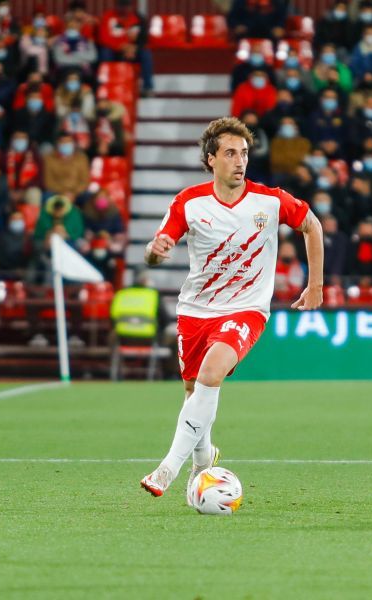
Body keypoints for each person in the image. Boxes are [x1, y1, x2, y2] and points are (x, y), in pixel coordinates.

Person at [139, 117, 324, 500]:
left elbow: (312, 226)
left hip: (246, 309)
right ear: (211, 159)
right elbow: (155, 251)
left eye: (244, 153)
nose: (240, 161)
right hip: (195, 311)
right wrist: (155, 251)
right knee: (194, 391)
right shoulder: (189, 203)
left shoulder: (270, 200)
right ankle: (204, 457)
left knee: (211, 373)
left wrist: (316, 285)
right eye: (230, 153)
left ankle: (167, 468)